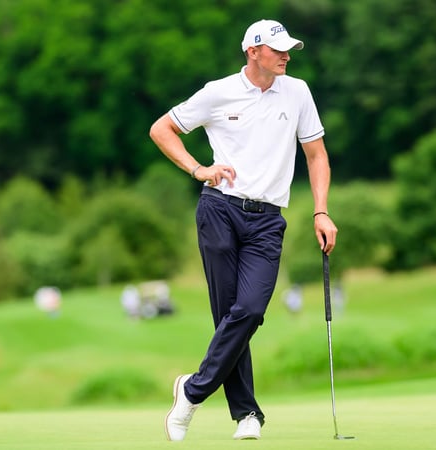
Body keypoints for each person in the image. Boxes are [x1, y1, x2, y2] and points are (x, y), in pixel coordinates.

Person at [149, 19, 338, 441]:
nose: (287, 54)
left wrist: (321, 211)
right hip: (220, 210)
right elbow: (162, 129)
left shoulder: (298, 91)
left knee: (249, 310)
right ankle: (247, 413)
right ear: (253, 52)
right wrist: (199, 169)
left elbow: (317, 155)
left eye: (289, 48)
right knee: (228, 314)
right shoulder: (218, 92)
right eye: (278, 49)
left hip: (268, 220)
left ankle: (192, 391)